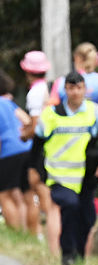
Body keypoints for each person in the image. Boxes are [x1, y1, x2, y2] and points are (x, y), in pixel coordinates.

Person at [30, 71, 98, 265]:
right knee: (70, 206)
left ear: (84, 89)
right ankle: (67, 254)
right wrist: (37, 171)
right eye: (71, 88)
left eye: (79, 88)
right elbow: (36, 145)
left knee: (88, 217)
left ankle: (78, 255)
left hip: (86, 175)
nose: (75, 92)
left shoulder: (94, 111)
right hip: (59, 176)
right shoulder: (51, 114)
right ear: (65, 90)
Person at [19, 50, 54, 245]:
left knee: (34, 190)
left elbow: (36, 126)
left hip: (38, 148)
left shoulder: (34, 92)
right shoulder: (50, 88)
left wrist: (24, 134)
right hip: (52, 146)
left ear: (27, 71)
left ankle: (38, 235)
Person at [0, 72, 32, 231]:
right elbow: (27, 120)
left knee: (4, 195)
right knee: (19, 193)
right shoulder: (9, 103)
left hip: (7, 152)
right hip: (26, 147)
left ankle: (16, 232)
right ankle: (26, 231)